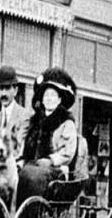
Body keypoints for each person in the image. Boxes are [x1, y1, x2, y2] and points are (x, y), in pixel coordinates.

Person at [16, 67, 79, 206]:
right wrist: (20, 160)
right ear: (42, 100)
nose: (49, 99)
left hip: (55, 170)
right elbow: (24, 145)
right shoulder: (34, 122)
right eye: (46, 96)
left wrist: (50, 160)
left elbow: (67, 153)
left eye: (53, 95)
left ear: (59, 99)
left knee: (32, 176)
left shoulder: (66, 122)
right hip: (31, 165)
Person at [0, 65, 31, 162]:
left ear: (15, 90)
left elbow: (19, 148)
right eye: (1, 89)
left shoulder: (24, 116)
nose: (4, 94)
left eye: (7, 88)